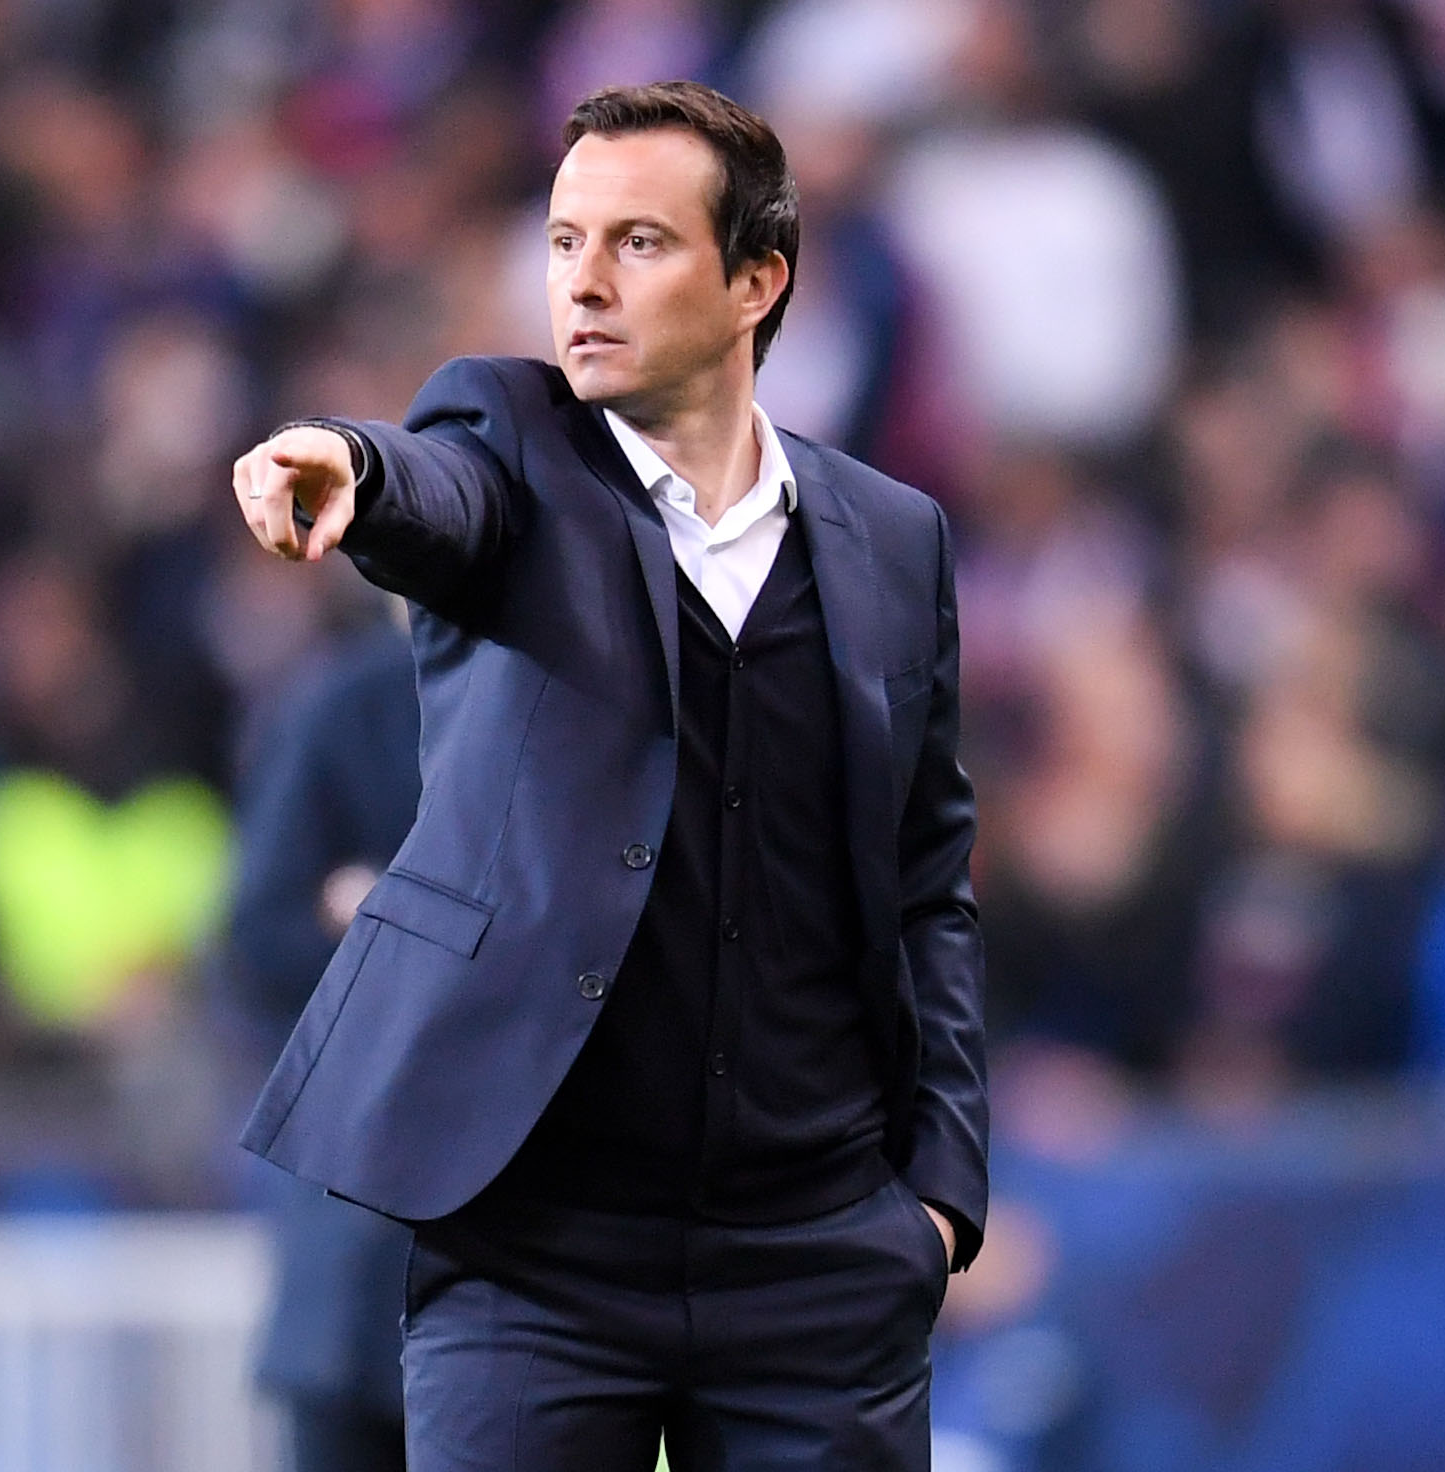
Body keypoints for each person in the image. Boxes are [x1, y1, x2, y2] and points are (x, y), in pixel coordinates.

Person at [231, 81, 987, 1472]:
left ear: (757, 280)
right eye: (565, 241)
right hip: (537, 1256)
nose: (583, 281)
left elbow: (929, 884)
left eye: (638, 242)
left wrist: (939, 1188)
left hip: (818, 1259)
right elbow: (438, 493)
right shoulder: (512, 440)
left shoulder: (896, 538)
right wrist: (354, 465)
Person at [223, 617, 423, 1472]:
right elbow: (257, 945)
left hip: (537, 1289)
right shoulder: (347, 708)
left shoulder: (581, 699)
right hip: (357, 1263)